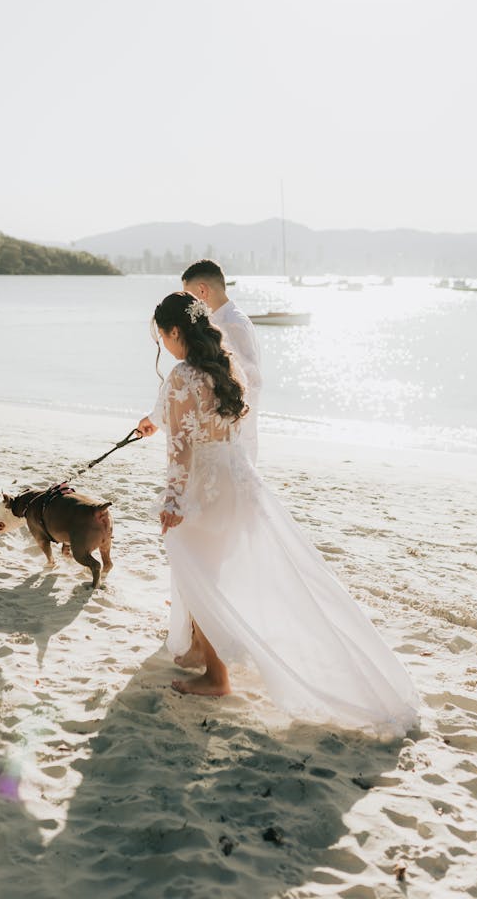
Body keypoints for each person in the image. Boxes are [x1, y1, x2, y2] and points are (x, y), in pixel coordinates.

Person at [148, 290, 420, 739]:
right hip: (239, 481)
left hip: (205, 488)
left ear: (175, 331)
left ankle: (217, 676)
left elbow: (180, 449)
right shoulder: (226, 367)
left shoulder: (181, 377)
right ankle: (200, 649)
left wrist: (173, 502)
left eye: (163, 336)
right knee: (219, 570)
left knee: (201, 576)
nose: (164, 345)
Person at [139, 259, 262, 464]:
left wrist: (223, 420)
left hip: (231, 432)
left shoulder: (232, 323)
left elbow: (249, 380)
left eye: (190, 294)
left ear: (202, 291)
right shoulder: (223, 321)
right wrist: (156, 419)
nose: (188, 302)